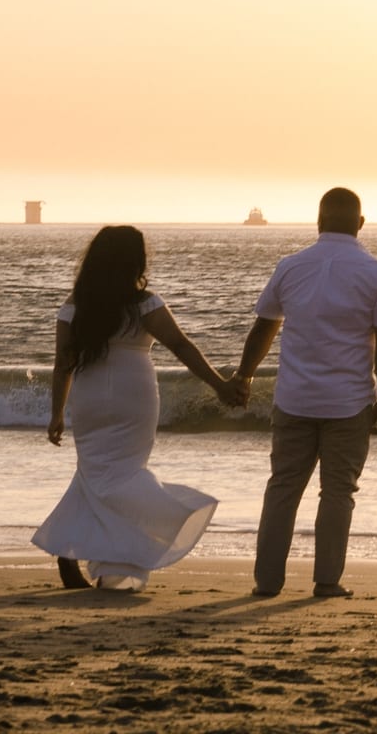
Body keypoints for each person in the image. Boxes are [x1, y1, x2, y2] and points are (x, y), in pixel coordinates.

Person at [32, 225, 244, 591]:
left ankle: (71, 549)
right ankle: (108, 556)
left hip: (91, 398)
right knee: (123, 475)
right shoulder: (145, 304)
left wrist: (56, 413)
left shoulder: (75, 307)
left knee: (97, 474)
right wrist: (219, 385)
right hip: (135, 396)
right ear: (135, 261)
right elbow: (181, 346)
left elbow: (62, 364)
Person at [234, 187, 377, 599]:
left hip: (294, 398)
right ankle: (326, 580)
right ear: (360, 224)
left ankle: (267, 581)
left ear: (319, 221)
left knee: (282, 489)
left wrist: (244, 375)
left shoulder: (290, 267)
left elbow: (264, 327)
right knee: (338, 492)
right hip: (348, 402)